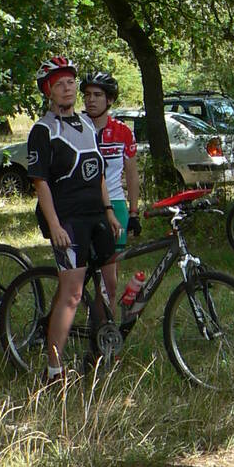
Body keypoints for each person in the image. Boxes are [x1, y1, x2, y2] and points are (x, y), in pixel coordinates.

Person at [27, 57, 122, 384]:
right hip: (67, 219)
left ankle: (98, 351)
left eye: (70, 82)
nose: (67, 88)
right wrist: (54, 225)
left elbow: (98, 173)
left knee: (109, 285)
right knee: (73, 294)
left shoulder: (86, 123)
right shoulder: (43, 130)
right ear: (48, 91)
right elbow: (40, 182)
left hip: (96, 215)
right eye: (60, 84)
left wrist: (109, 211)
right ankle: (53, 370)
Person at [81, 71, 140, 302]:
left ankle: (106, 322)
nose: (91, 100)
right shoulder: (76, 128)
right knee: (79, 273)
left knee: (109, 282)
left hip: (115, 204)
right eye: (87, 95)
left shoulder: (123, 131)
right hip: (84, 205)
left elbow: (132, 175)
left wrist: (133, 212)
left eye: (97, 95)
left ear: (110, 99)